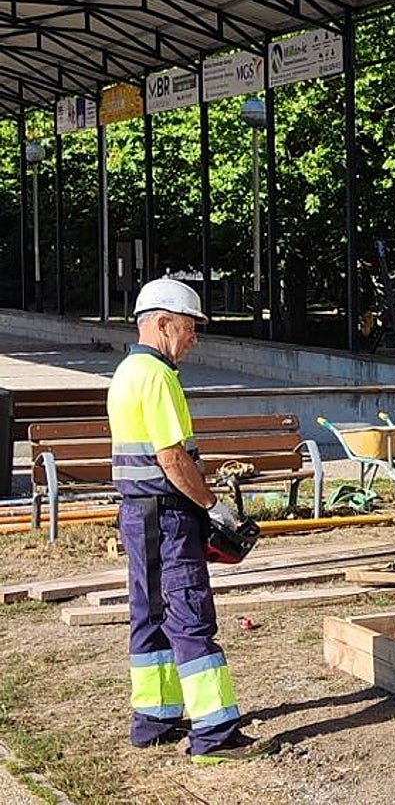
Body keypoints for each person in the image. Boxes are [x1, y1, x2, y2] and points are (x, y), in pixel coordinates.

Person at [107, 277, 276, 764]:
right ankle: (215, 733)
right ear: (162, 323)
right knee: (190, 617)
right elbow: (173, 458)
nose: (195, 338)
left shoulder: (126, 372)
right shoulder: (158, 377)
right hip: (168, 513)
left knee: (150, 613)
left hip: (139, 515)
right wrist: (211, 507)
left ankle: (154, 718)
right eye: (190, 327)